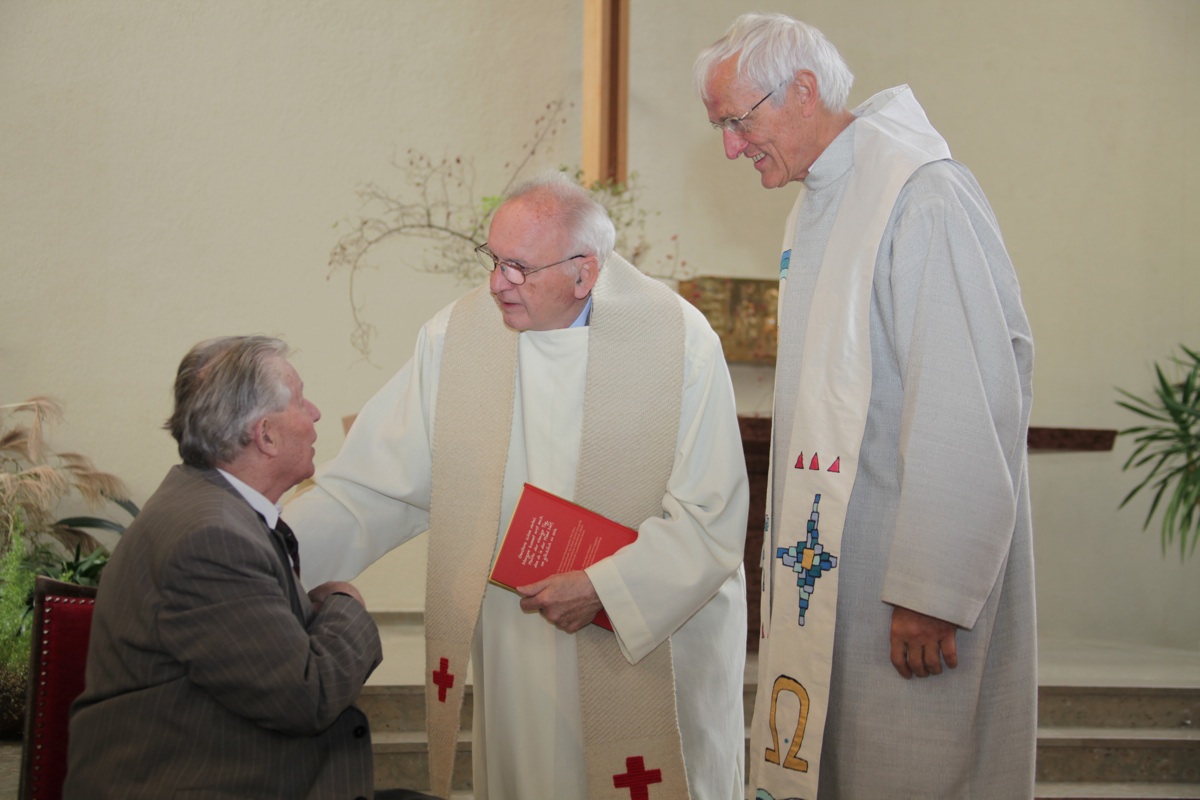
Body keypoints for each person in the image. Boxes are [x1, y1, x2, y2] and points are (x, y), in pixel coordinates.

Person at [286, 172, 749, 800]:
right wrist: (267, 557)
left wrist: (606, 588)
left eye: (519, 268)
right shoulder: (457, 338)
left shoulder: (678, 341)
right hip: (520, 640)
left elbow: (711, 515)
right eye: (493, 258)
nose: (496, 282)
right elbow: (371, 485)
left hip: (649, 636)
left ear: (584, 273)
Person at [694, 13, 1036, 800]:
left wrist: (930, 590)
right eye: (721, 129)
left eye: (738, 121)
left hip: (904, 598)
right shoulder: (821, 201)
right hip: (838, 586)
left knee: (910, 769)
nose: (732, 148)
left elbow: (964, 396)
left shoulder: (921, 196)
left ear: (802, 89)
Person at [65, 336, 396, 799]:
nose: (316, 413)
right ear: (265, 435)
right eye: (301, 400)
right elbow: (307, 697)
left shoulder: (211, 510)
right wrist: (347, 604)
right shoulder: (212, 538)